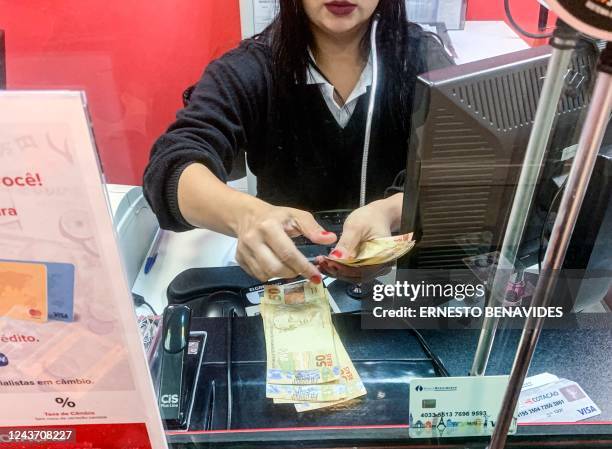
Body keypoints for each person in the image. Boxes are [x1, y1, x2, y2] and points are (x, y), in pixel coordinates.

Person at [144, 0, 452, 283]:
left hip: (400, 279)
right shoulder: (249, 69)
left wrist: (390, 211)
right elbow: (170, 170)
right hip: (287, 276)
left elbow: (463, 170)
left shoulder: (423, 58)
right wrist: (246, 216)